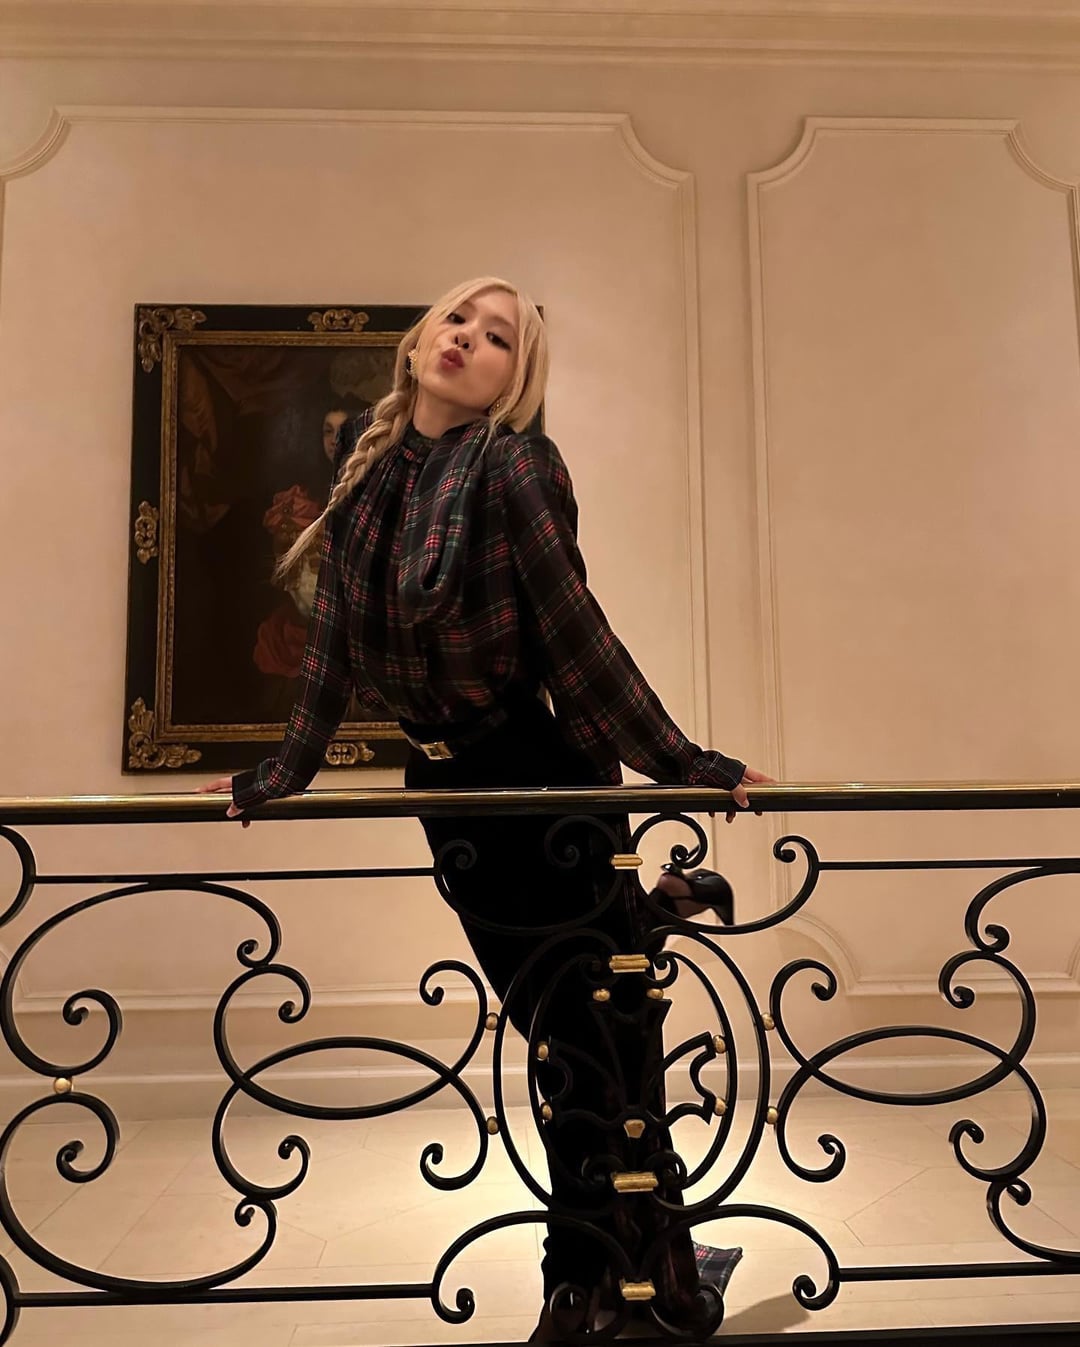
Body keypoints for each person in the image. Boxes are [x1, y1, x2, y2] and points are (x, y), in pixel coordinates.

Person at [201, 275, 771, 1340]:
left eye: (498, 336)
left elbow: (574, 633)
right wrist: (283, 771)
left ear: (516, 378)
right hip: (448, 794)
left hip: (536, 778)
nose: (467, 337)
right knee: (580, 1033)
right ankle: (650, 1255)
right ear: (423, 339)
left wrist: (682, 762)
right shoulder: (368, 475)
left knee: (581, 1045)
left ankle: (584, 1286)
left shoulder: (516, 466)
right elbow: (332, 648)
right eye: (458, 318)